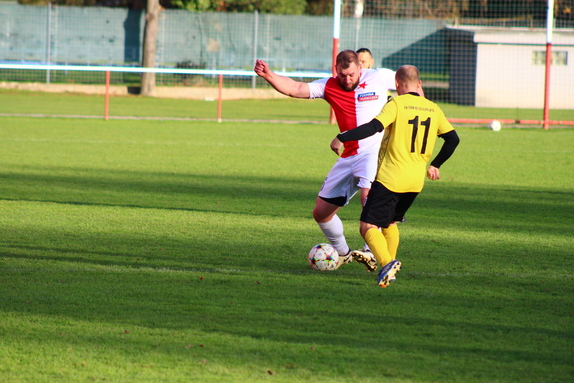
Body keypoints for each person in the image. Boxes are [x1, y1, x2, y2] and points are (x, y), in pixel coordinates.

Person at [254, 50, 398, 272]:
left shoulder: (378, 77)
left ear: (360, 68)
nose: (347, 79)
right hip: (349, 155)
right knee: (321, 212)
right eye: (342, 75)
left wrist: (419, 109)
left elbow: (410, 83)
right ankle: (342, 253)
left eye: (351, 74)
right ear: (336, 71)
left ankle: (373, 253)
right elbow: (295, 89)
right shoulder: (329, 85)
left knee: (368, 200)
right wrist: (269, 75)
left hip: (373, 153)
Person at [330, 65, 460, 288]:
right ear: (419, 84)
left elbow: (373, 127)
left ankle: (387, 262)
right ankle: (387, 269)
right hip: (415, 182)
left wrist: (343, 136)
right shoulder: (433, 108)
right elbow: (453, 139)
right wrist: (435, 164)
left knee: (367, 226)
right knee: (390, 223)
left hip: (391, 178)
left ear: (397, 84)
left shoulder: (396, 104)